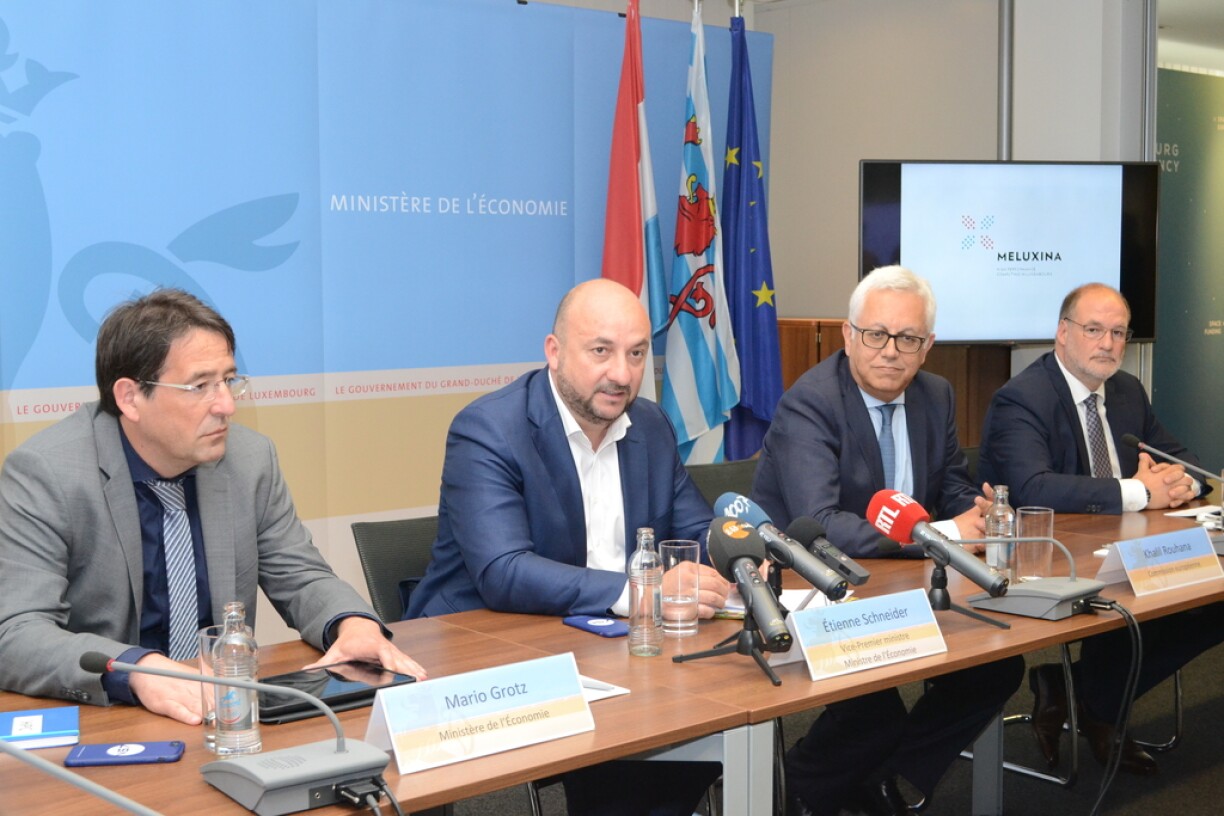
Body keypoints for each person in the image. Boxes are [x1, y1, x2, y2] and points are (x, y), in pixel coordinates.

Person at [0, 289, 425, 725]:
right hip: (110, 718)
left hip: (227, 715)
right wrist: (138, 668)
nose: (226, 405)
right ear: (129, 398)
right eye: (199, 386)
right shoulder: (48, 473)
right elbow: (15, 634)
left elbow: (300, 575)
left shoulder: (249, 458)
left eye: (228, 380)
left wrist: (352, 624)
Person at [407, 278, 730, 816]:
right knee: (636, 765)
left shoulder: (648, 424)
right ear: (554, 352)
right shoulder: (489, 428)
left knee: (710, 724)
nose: (622, 375)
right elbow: (504, 571)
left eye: (635, 353)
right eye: (600, 351)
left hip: (613, 652)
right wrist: (642, 591)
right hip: (487, 652)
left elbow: (694, 529)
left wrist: (737, 556)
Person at [753, 266, 1024, 816]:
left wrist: (973, 510)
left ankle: (895, 779)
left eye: (908, 339)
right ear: (850, 336)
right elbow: (819, 521)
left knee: (998, 664)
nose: (890, 352)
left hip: (903, 580)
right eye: (875, 334)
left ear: (927, 347)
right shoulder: (811, 403)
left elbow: (948, 481)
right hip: (814, 587)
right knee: (876, 707)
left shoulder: (936, 394)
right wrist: (942, 536)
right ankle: (805, 783)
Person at [979, 282, 1224, 775]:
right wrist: (1140, 492)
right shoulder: (1022, 397)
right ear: (1062, 333)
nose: (1108, 344)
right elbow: (1031, 487)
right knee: (1129, 605)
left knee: (1213, 602)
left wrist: (1180, 485)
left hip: (1130, 547)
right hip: (1052, 559)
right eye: (1094, 330)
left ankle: (1081, 692)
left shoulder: (1127, 390)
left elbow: (1181, 459)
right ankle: (1097, 706)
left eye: (1118, 333)